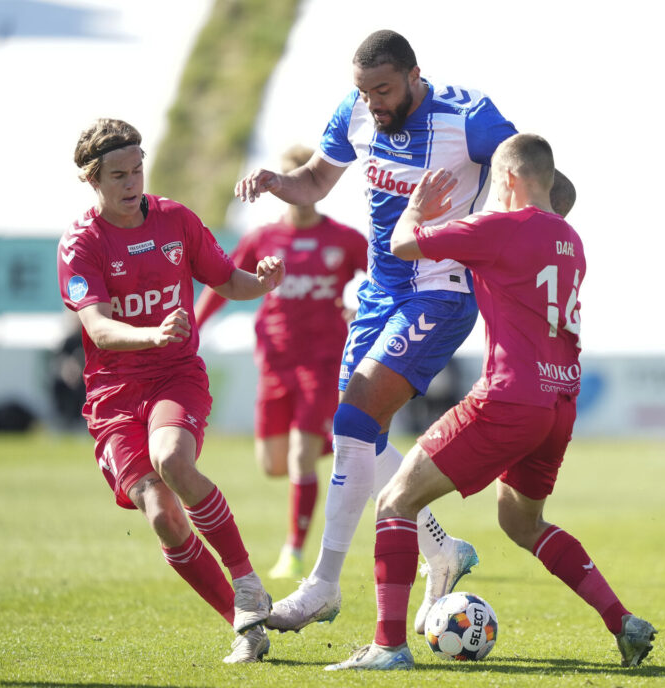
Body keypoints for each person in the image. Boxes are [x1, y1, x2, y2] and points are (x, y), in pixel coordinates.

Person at [235, 30, 575, 635]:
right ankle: (440, 549)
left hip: (442, 291)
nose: (373, 104)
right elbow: (316, 179)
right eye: (364, 92)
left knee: (356, 415)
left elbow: (544, 185)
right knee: (354, 436)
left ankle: (322, 586)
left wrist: (517, 234)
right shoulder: (355, 110)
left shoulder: (468, 116)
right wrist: (276, 184)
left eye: (384, 90)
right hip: (378, 293)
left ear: (416, 75)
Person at [324, 134, 655, 671]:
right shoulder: (572, 241)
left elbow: (402, 244)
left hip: (508, 397)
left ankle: (388, 647)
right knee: (521, 523)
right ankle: (624, 622)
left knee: (395, 502)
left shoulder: (500, 227)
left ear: (508, 180)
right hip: (558, 403)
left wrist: (415, 208)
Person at [57, 118, 284, 663]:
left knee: (172, 460)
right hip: (112, 396)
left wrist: (264, 282)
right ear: (93, 179)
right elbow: (98, 328)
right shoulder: (80, 244)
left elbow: (228, 280)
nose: (132, 182)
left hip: (174, 377)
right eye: (118, 174)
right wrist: (151, 332)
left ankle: (248, 581)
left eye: (137, 169)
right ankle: (244, 625)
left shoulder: (175, 220)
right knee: (161, 514)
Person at [195, 144, 368, 581]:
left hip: (324, 362)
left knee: (297, 458)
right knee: (273, 464)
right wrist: (195, 326)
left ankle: (293, 551)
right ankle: (327, 445)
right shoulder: (262, 239)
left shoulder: (345, 240)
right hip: (274, 361)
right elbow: (222, 281)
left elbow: (382, 282)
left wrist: (361, 310)